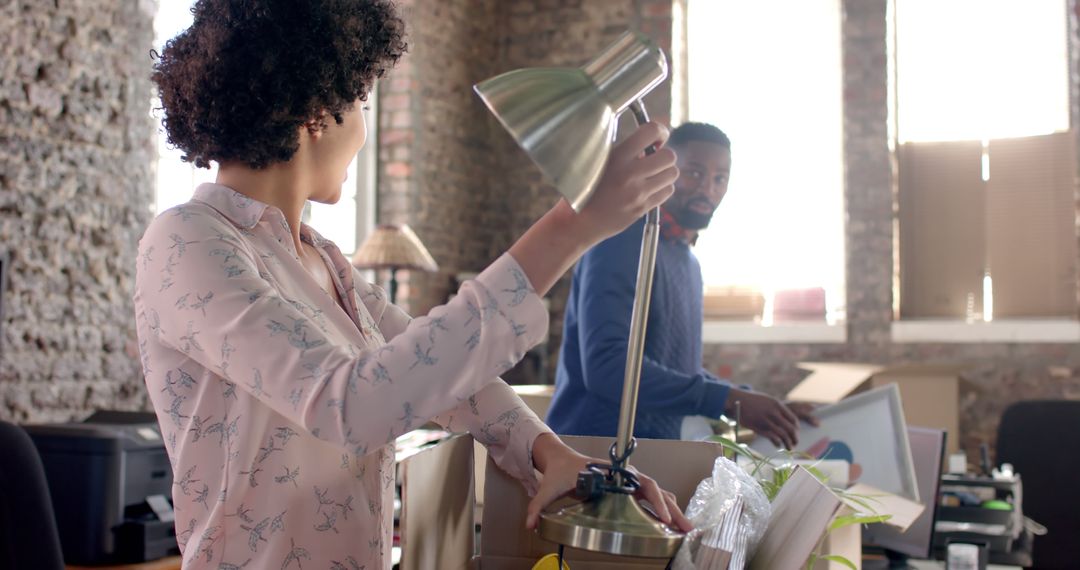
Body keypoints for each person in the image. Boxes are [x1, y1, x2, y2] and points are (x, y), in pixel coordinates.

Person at [137, 1, 691, 568]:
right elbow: (348, 404)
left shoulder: (323, 259)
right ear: (317, 112)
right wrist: (570, 229)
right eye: (363, 103)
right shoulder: (188, 239)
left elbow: (436, 372)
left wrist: (549, 451)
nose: (363, 130)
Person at [546, 122, 817, 448]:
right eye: (694, 173)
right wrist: (726, 400)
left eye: (720, 179)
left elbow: (677, 369)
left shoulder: (687, 261)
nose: (707, 189)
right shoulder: (624, 239)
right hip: (591, 456)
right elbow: (607, 367)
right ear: (665, 171)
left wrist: (758, 407)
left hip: (651, 457)